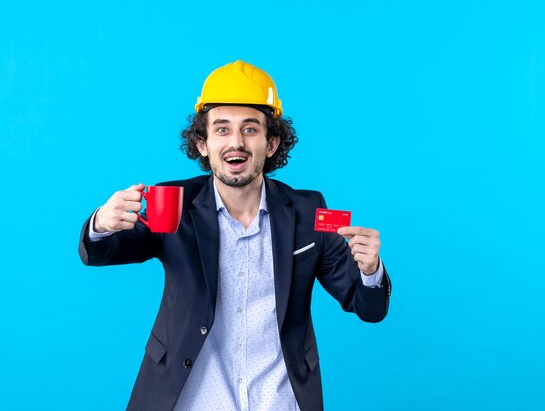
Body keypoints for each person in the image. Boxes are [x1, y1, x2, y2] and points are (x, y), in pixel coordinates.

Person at [78, 60, 391, 411]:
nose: (236, 143)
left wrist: (370, 270)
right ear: (203, 144)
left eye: (251, 129)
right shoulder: (174, 204)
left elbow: (368, 307)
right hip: (187, 401)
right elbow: (104, 252)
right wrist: (102, 224)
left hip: (279, 401)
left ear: (272, 144)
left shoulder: (308, 211)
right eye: (222, 129)